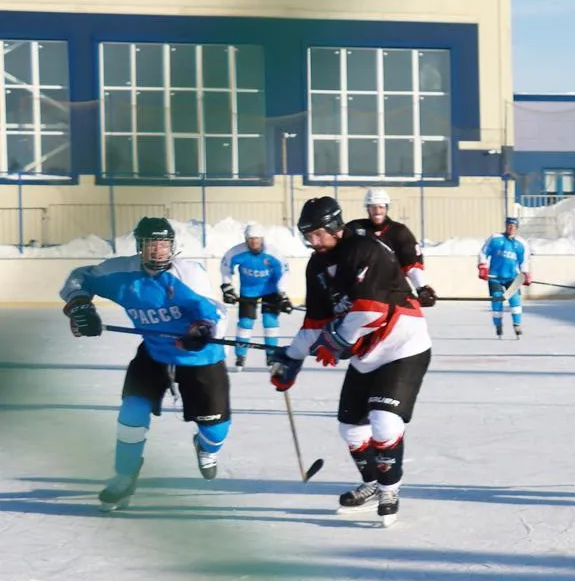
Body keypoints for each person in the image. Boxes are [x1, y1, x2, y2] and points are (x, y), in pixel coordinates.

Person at [268, 196, 432, 526]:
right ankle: (371, 483)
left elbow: (369, 311)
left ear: (334, 228)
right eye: (307, 236)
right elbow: (314, 322)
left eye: (317, 234)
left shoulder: (364, 249)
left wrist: (336, 341)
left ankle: (389, 489)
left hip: (403, 344)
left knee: (384, 421)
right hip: (368, 353)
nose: (312, 242)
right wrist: (292, 358)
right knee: (351, 428)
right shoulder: (316, 266)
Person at [59, 217, 230, 507]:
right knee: (131, 414)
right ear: (139, 246)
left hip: (199, 357)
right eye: (151, 244)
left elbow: (215, 312)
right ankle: (124, 478)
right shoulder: (120, 272)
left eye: (163, 244)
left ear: (172, 246)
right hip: (154, 352)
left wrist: (202, 330)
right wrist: (80, 305)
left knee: (215, 429)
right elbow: (79, 277)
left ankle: (205, 446)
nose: (157, 251)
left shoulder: (189, 274)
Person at [218, 222, 293, 370]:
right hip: (248, 291)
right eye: (250, 240)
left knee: (270, 321)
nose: (254, 243)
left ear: (262, 239)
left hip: (270, 290)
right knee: (245, 323)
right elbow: (225, 267)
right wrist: (227, 287)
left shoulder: (273, 253)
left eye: (257, 240)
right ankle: (241, 356)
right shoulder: (237, 252)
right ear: (246, 240)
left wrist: (282, 293)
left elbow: (284, 272)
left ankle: (271, 355)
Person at [347, 187, 436, 308]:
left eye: (381, 207)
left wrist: (422, 288)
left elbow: (412, 265)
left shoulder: (399, 232)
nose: (377, 211)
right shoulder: (355, 228)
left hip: (393, 290)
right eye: (373, 207)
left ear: (387, 208)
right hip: (362, 291)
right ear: (367, 208)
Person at [477, 218, 531, 338]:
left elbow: (524, 261)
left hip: (512, 277)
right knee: (497, 299)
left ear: (517, 228)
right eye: (509, 225)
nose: (511, 228)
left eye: (513, 226)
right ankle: (498, 324)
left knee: (515, 299)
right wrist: (483, 266)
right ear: (505, 226)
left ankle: (517, 324)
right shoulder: (495, 239)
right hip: (495, 276)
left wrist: (525, 274)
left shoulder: (521, 244)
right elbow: (483, 253)